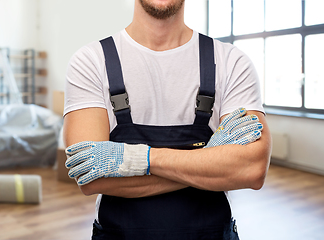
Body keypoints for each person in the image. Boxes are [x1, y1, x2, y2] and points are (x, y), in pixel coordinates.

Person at [62, 0, 272, 239]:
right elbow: (90, 177)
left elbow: (252, 169)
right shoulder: (90, 62)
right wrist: (210, 158)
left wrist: (134, 159)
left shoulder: (231, 62)